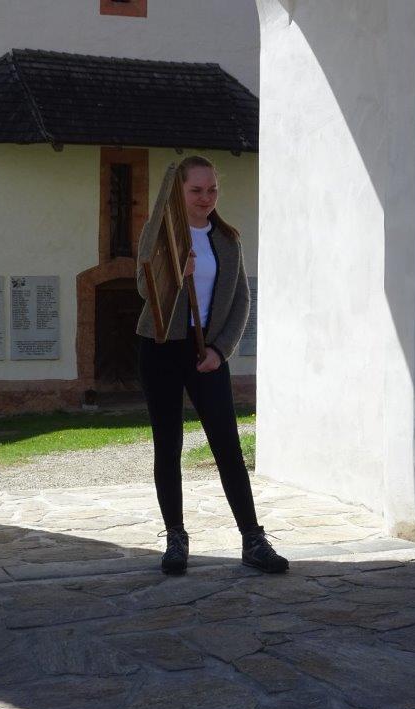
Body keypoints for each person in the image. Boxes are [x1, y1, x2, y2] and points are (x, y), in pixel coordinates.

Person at [136, 155, 289, 576]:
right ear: (179, 191)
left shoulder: (227, 239)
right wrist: (175, 270)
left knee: (227, 446)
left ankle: (253, 540)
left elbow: (241, 301)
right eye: (196, 190)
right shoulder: (160, 231)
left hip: (207, 351)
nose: (205, 198)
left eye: (212, 190)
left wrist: (221, 351)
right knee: (168, 445)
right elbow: (143, 287)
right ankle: (176, 539)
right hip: (160, 346)